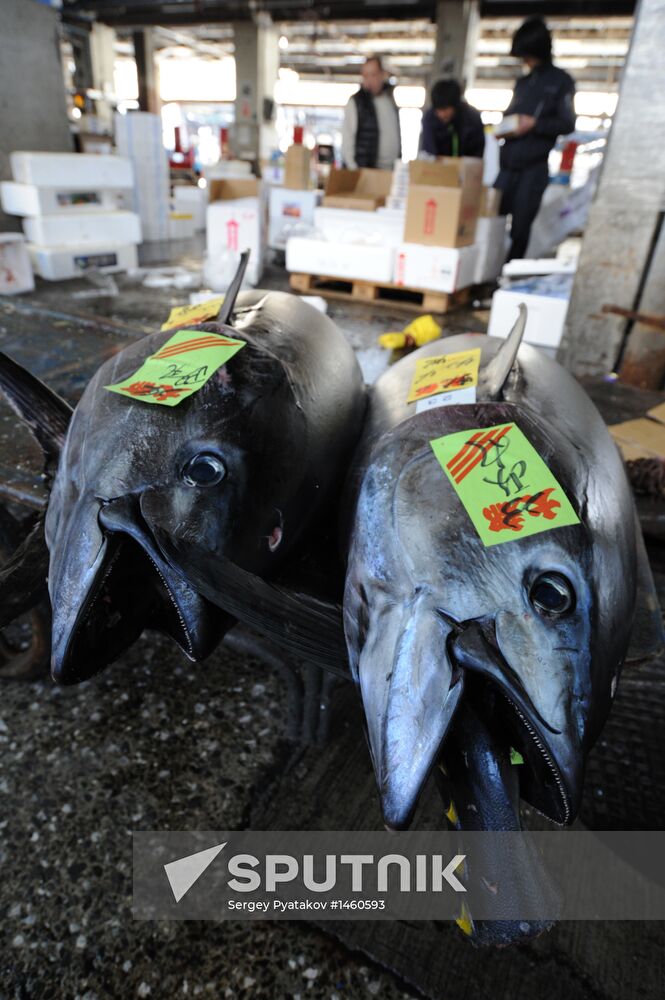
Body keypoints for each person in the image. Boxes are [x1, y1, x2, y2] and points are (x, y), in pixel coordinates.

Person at [495, 16, 576, 261]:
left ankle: (506, 279)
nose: (525, 61)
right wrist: (505, 127)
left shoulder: (561, 82)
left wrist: (535, 124)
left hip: (533, 167)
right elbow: (510, 116)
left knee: (520, 228)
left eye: (527, 55)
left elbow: (567, 123)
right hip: (507, 166)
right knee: (493, 218)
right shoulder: (523, 82)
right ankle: (486, 271)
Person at [342, 56, 402, 169]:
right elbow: (347, 139)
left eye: (373, 74)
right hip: (367, 171)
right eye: (365, 76)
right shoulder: (356, 102)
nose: (369, 80)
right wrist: (353, 170)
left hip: (390, 171)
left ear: (382, 74)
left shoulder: (390, 100)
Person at [419, 79, 485, 159]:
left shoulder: (472, 118)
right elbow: (429, 150)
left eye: (445, 109)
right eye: (438, 110)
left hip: (466, 167)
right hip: (438, 168)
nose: (441, 114)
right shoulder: (429, 118)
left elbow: (477, 153)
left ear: (455, 105)